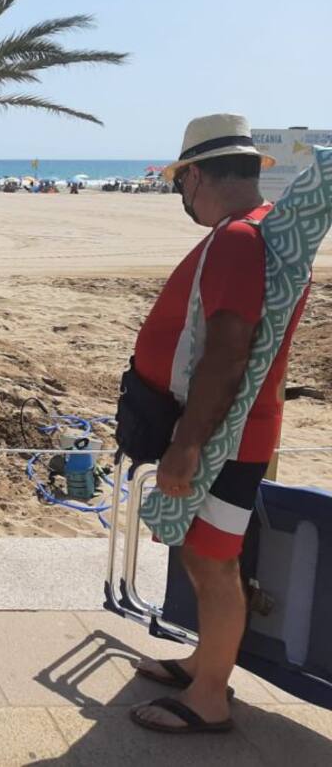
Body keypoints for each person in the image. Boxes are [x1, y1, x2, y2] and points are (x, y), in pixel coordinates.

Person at [127, 114, 309, 734]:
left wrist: (187, 444)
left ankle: (209, 697)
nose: (183, 197)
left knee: (214, 562)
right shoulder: (258, 230)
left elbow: (230, 349)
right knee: (204, 554)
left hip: (228, 439)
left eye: (181, 184)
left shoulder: (237, 238)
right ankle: (204, 663)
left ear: (197, 176)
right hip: (226, 433)